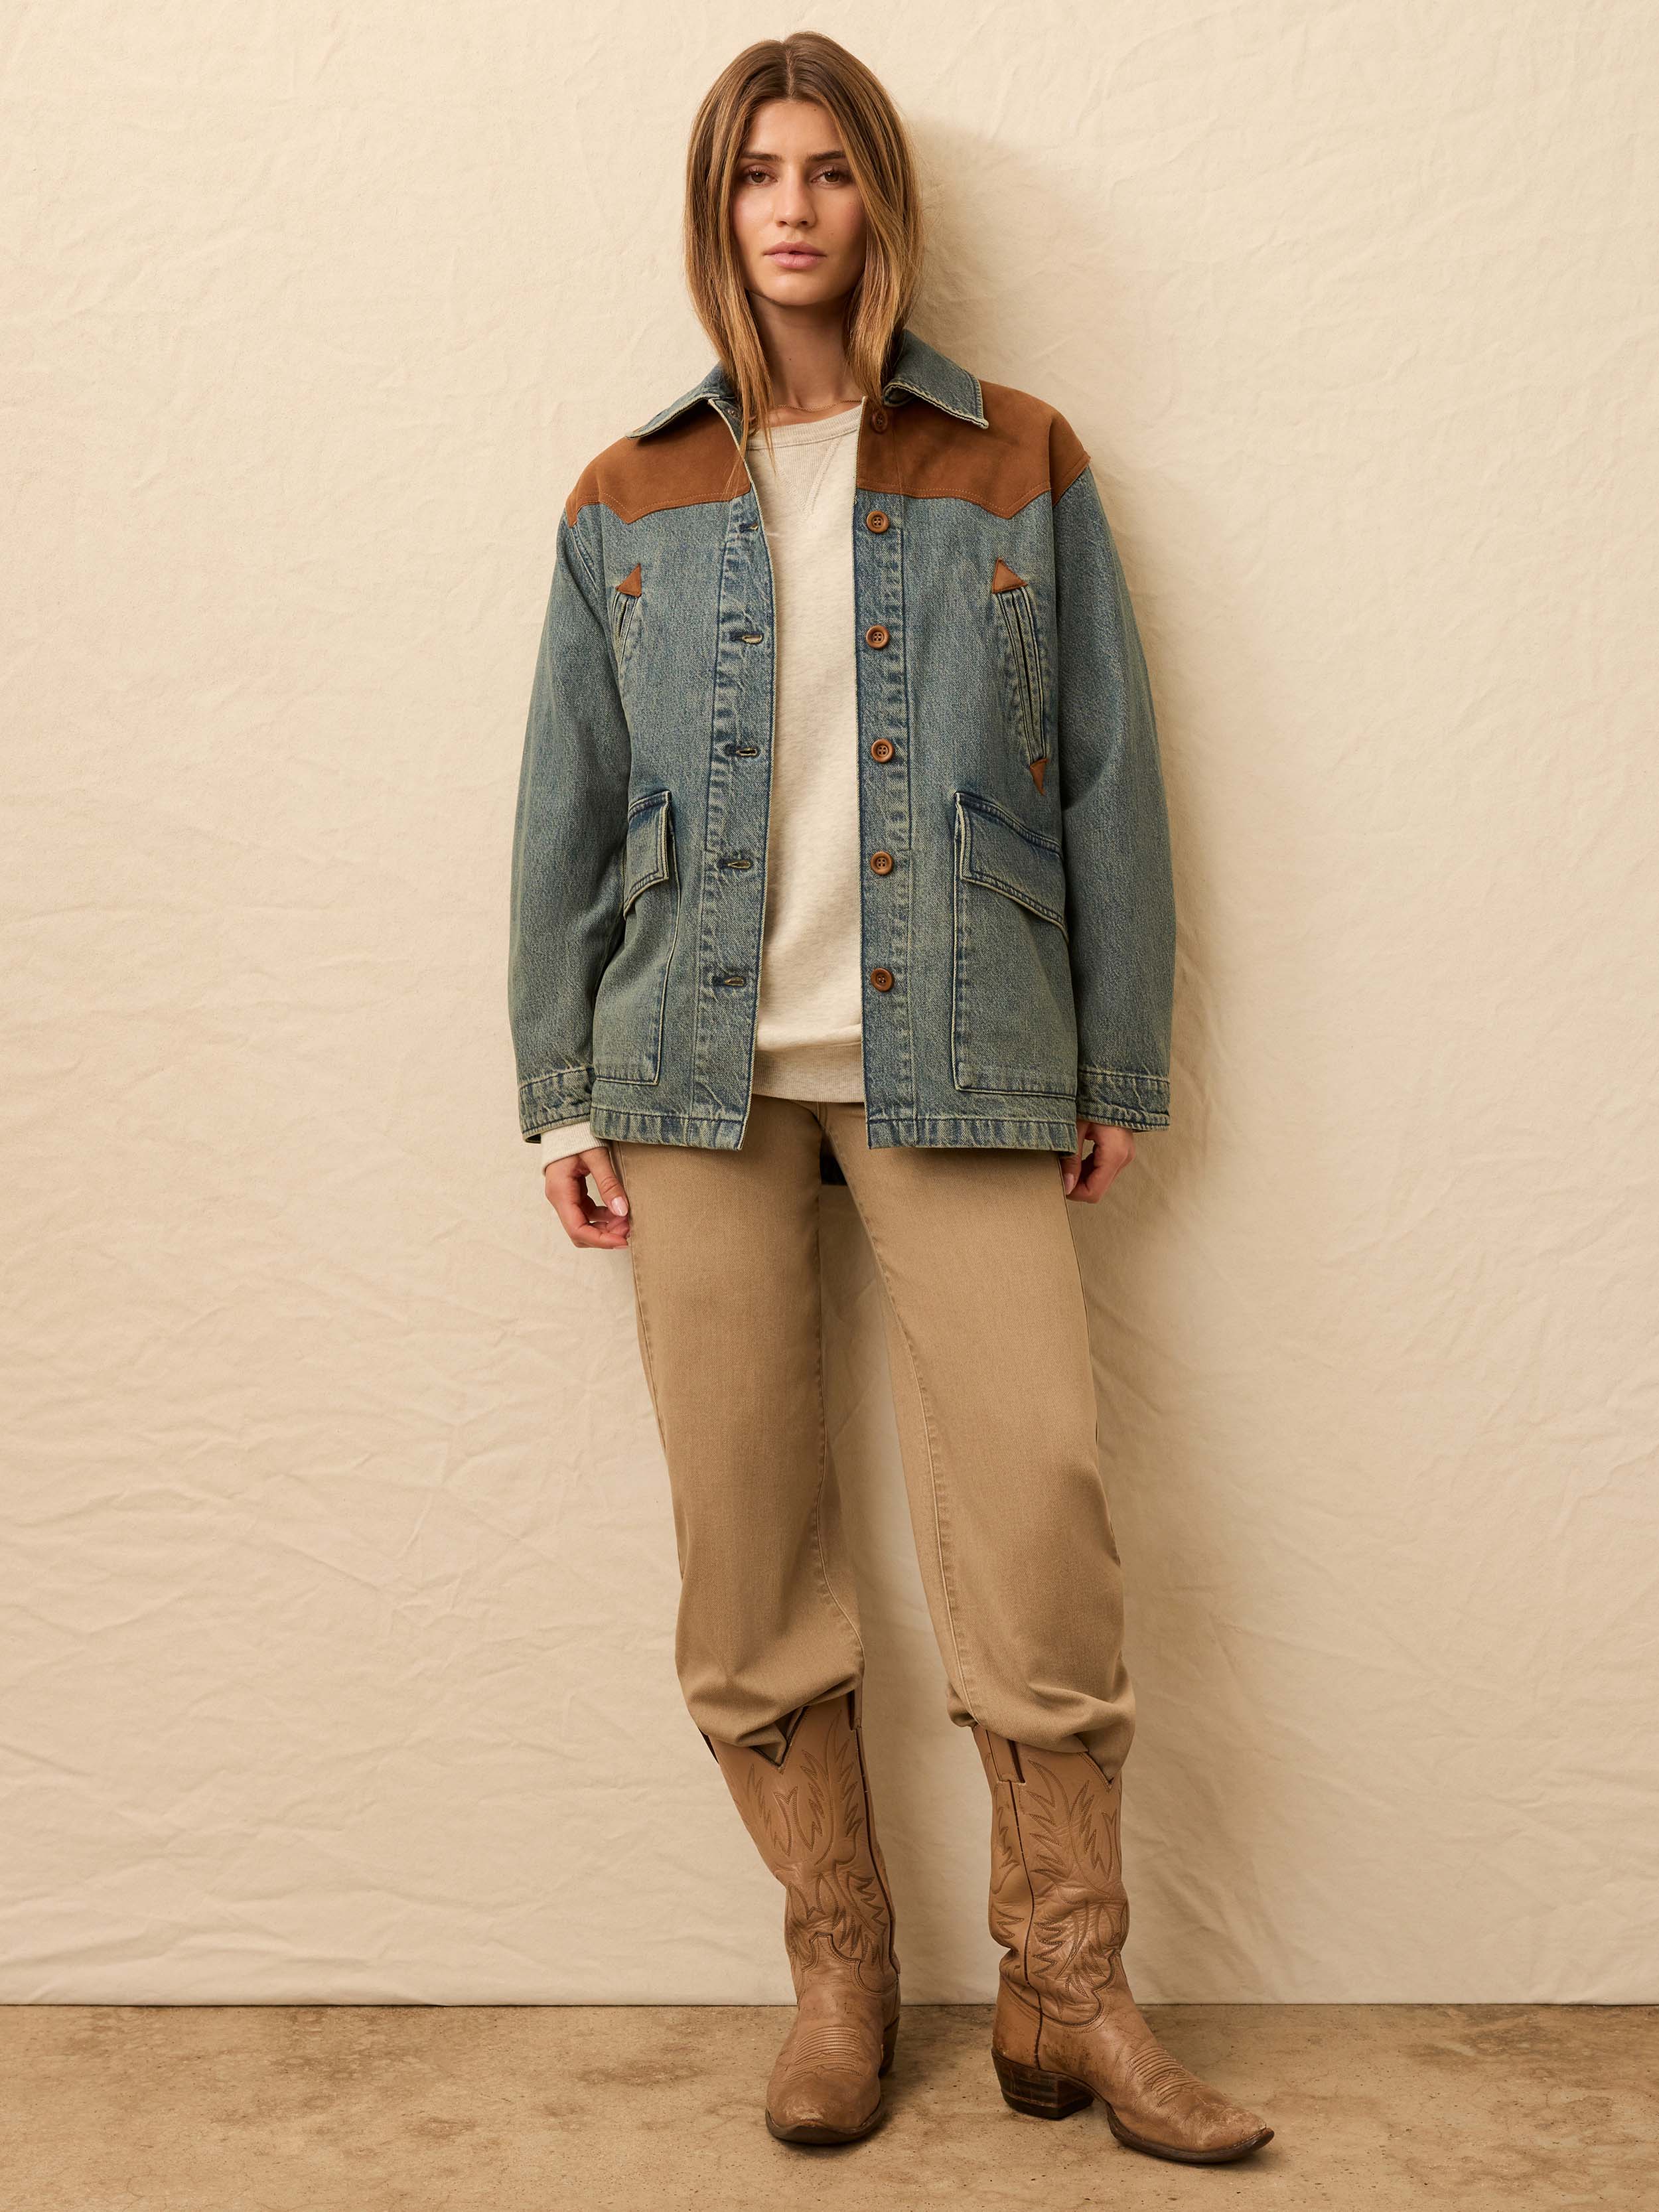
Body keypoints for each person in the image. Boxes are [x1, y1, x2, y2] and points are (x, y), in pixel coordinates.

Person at [508, 30, 1273, 2167]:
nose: (792, 207)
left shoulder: (1013, 454)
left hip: (968, 1050)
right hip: (688, 1067)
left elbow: (1110, 771)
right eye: (756, 171)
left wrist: (1113, 1057)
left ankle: (1067, 1987)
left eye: (827, 169)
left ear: (877, 204)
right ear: (715, 207)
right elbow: (561, 813)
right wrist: (557, 1095)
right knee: (744, 1547)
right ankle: (837, 1968)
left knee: (1037, 1512)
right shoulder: (628, 491)